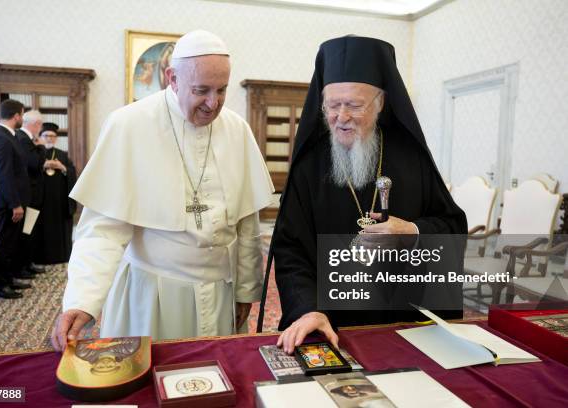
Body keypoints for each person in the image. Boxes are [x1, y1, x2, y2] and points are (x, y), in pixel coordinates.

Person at [52, 30, 274, 351]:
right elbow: (103, 229)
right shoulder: (128, 125)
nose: (213, 104)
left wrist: (245, 291)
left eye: (222, 90)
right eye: (201, 90)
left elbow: (246, 224)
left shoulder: (236, 128)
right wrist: (83, 300)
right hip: (152, 294)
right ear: (172, 78)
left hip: (220, 291)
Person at [272, 36, 467, 353]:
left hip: (405, 319)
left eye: (354, 105)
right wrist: (308, 308)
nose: (341, 117)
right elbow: (290, 249)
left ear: (380, 103)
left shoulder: (411, 157)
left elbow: (452, 225)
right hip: (330, 320)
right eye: (332, 105)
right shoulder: (308, 165)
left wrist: (414, 232)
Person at [0, 99, 32, 298]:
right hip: (7, 202)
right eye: (22, 115)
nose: (22, 118)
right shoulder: (1, 138)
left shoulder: (8, 135)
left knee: (12, 242)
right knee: (5, 243)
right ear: (16, 116)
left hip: (13, 200)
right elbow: (5, 175)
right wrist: (15, 204)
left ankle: (9, 278)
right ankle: (0, 285)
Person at [33, 122, 77, 264]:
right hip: (40, 201)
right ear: (40, 137)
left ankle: (60, 257)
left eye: (53, 136)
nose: (49, 139)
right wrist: (42, 165)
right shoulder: (35, 153)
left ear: (56, 138)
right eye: (46, 136)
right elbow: (27, 172)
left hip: (58, 202)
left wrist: (62, 167)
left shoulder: (62, 155)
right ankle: (39, 258)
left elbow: (72, 174)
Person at [15, 109, 46, 277]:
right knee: (25, 232)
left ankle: (27, 264)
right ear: (36, 124)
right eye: (40, 125)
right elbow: (35, 163)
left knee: (29, 230)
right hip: (28, 193)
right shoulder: (23, 139)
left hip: (31, 193)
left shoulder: (25, 138)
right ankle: (22, 267)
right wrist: (41, 147)